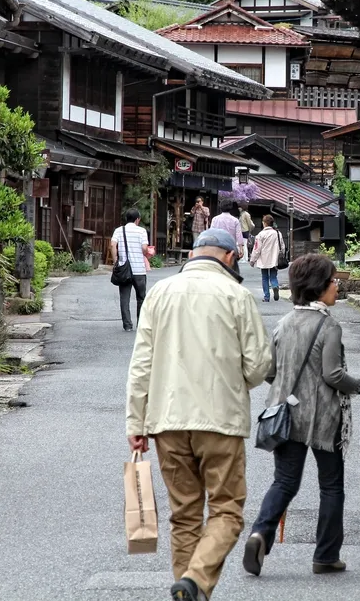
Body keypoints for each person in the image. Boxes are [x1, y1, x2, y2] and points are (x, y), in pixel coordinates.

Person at [125, 228, 273, 601]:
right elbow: (258, 367)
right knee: (226, 510)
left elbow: (141, 364)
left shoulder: (159, 293)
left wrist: (136, 422)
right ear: (228, 257)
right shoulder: (237, 295)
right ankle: (196, 580)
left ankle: (188, 590)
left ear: (193, 254)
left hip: (167, 421)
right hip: (220, 419)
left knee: (185, 514)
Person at [243, 254, 360, 577]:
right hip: (324, 418)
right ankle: (325, 555)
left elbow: (270, 371)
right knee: (331, 486)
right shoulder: (328, 326)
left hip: (286, 416)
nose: (338, 286)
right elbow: (333, 375)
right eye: (333, 281)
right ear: (319, 287)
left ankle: (259, 533)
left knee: (285, 482)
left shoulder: (284, 322)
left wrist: (292, 386)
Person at [110, 208, 150, 332]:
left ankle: (127, 325)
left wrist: (115, 260)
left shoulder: (118, 230)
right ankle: (141, 325)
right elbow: (144, 248)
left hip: (124, 269)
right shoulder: (142, 231)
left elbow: (112, 245)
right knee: (141, 297)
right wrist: (146, 252)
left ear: (126, 218)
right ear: (137, 219)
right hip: (139, 270)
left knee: (124, 298)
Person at [250, 215, 283, 302]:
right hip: (275, 258)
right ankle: (275, 286)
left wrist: (252, 260)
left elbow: (257, 249)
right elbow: (282, 246)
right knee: (273, 276)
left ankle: (266, 297)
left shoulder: (261, 234)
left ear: (264, 223)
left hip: (264, 259)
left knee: (265, 277)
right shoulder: (278, 233)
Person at [211, 200, 246, 274]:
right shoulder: (235, 220)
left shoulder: (215, 219)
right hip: (231, 247)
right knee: (231, 268)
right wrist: (241, 249)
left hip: (218, 247)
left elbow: (211, 234)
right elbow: (239, 235)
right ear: (231, 208)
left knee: (218, 268)